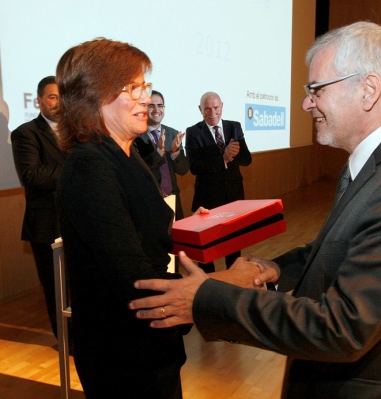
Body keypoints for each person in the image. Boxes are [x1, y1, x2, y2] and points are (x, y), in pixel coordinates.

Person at [130, 21, 381, 399]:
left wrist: (206, 298)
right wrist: (276, 270)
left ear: (369, 89)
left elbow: (343, 327)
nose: (306, 103)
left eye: (316, 90)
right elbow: (339, 247)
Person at [54, 38, 261, 399]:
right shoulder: (89, 167)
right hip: (121, 354)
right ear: (95, 95)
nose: (145, 99)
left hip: (151, 345)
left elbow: (142, 228)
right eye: (132, 88)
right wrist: (230, 281)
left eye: (144, 87)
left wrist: (188, 227)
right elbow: (136, 280)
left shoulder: (128, 154)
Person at [11, 76, 67, 339]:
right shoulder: (25, 133)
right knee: (55, 289)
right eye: (53, 97)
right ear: (39, 101)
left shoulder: (77, 133)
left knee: (79, 286)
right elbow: (31, 175)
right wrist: (76, 167)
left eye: (62, 97)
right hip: (47, 225)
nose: (58, 103)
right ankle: (66, 341)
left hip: (77, 220)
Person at [185, 92, 252, 273]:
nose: (212, 112)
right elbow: (195, 167)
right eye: (207, 108)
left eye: (216, 108)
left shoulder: (234, 127)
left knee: (233, 246)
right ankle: (207, 288)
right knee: (206, 251)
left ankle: (234, 281)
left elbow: (247, 159)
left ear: (222, 106)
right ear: (200, 110)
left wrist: (232, 157)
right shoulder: (193, 132)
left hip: (233, 198)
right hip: (208, 200)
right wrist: (223, 157)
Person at [133, 90, 189, 220]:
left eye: (160, 105)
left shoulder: (173, 133)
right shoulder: (135, 136)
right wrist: (159, 152)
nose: (156, 109)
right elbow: (139, 170)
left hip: (173, 199)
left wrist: (175, 152)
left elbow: (183, 170)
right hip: (149, 201)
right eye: (151, 105)